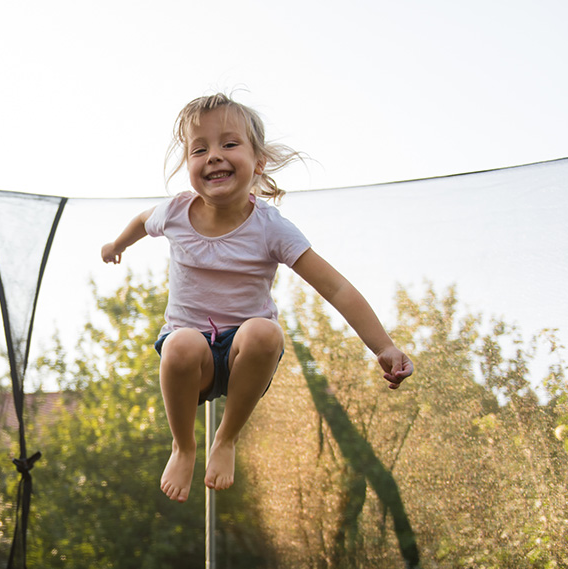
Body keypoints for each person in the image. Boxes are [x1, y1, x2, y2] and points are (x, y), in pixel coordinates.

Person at [102, 93, 413, 503]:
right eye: (200, 149)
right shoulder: (175, 212)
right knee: (180, 342)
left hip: (242, 359)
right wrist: (117, 244)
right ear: (188, 165)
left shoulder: (271, 229)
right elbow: (143, 221)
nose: (213, 156)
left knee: (265, 332)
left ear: (258, 162)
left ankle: (226, 439)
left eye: (229, 144)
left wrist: (383, 346)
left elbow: (336, 287)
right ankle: (183, 446)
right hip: (192, 362)